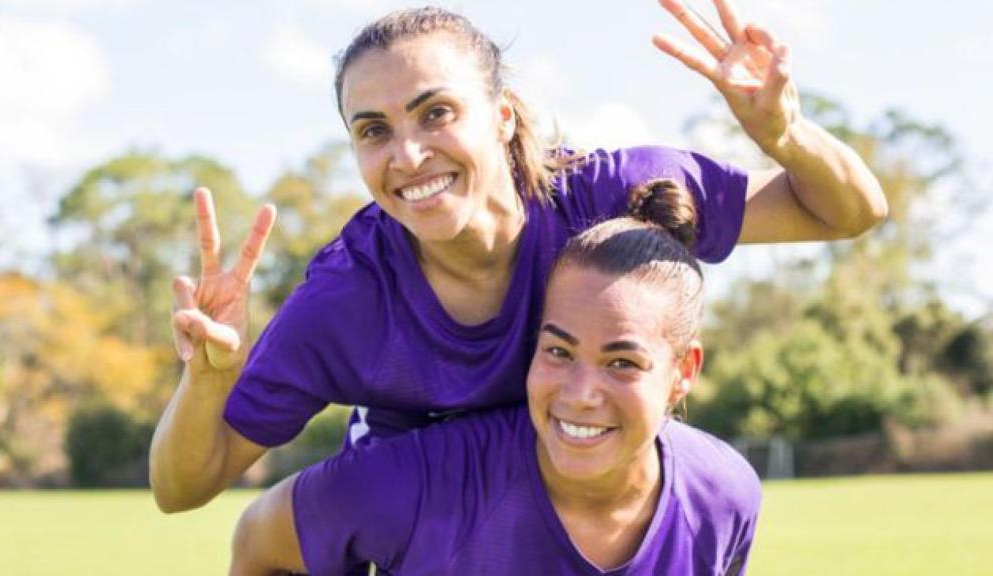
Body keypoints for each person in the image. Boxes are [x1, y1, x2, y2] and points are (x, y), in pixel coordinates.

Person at [150, 0, 886, 513]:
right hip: (434, 534)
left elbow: (851, 211)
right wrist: (207, 381)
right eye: (373, 130)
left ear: (501, 118)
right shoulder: (350, 296)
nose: (408, 154)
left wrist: (785, 133)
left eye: (437, 113)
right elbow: (182, 486)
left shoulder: (605, 195)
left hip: (585, 513)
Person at [229, 179, 761, 575]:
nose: (579, 394)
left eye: (623, 362)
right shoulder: (421, 486)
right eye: (558, 351)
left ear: (683, 371)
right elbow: (260, 537)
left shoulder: (723, 496)